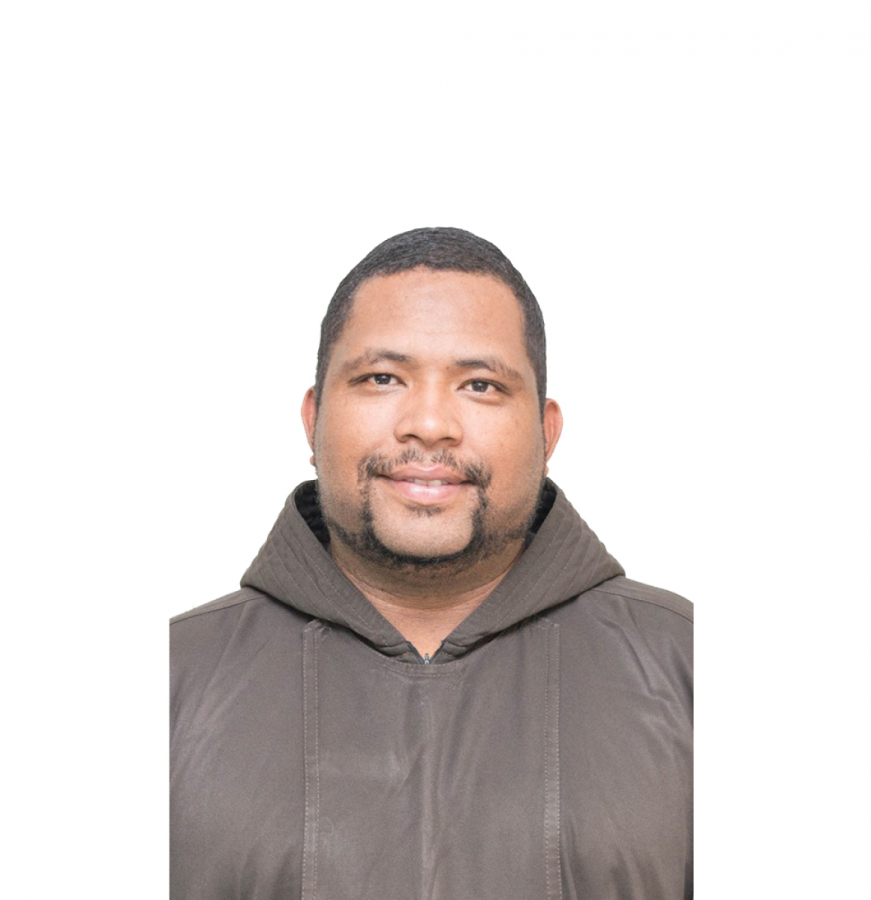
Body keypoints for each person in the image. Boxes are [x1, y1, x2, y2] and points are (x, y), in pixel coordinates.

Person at [170, 227, 693, 900]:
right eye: (382, 378)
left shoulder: (694, 669)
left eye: (479, 385)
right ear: (313, 419)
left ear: (546, 431)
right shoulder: (168, 677)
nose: (428, 422)